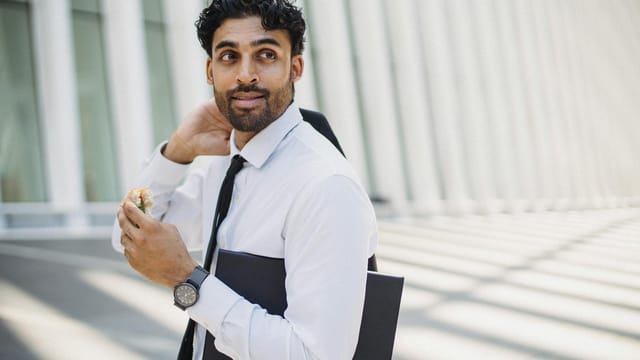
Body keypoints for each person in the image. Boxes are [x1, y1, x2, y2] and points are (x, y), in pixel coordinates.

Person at [112, 0, 377, 359]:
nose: (246, 74)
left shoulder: (325, 186)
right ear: (210, 70)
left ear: (295, 67)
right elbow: (127, 238)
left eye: (266, 55)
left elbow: (316, 355)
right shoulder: (221, 163)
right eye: (229, 56)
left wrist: (188, 280)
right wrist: (175, 153)